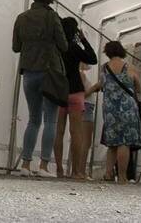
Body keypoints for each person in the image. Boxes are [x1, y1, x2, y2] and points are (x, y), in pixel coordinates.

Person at [12, 0, 68, 177]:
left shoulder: (21, 17)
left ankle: (25, 165)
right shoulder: (52, 18)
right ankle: (44, 166)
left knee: (33, 119)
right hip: (49, 71)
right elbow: (64, 45)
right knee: (50, 120)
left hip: (29, 71)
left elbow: (16, 47)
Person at [87, 40, 141, 183]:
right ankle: (122, 176)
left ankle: (107, 173)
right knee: (124, 142)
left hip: (110, 109)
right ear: (121, 51)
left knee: (112, 143)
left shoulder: (104, 68)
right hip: (127, 109)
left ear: (107, 52)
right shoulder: (130, 67)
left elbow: (100, 84)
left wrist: (86, 93)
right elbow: (139, 88)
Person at [53, 17, 98, 179]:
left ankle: (59, 169)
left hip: (59, 92)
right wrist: (84, 40)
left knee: (58, 131)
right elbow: (93, 58)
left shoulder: (57, 48)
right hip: (76, 92)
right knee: (76, 132)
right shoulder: (75, 48)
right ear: (75, 32)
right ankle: (76, 171)